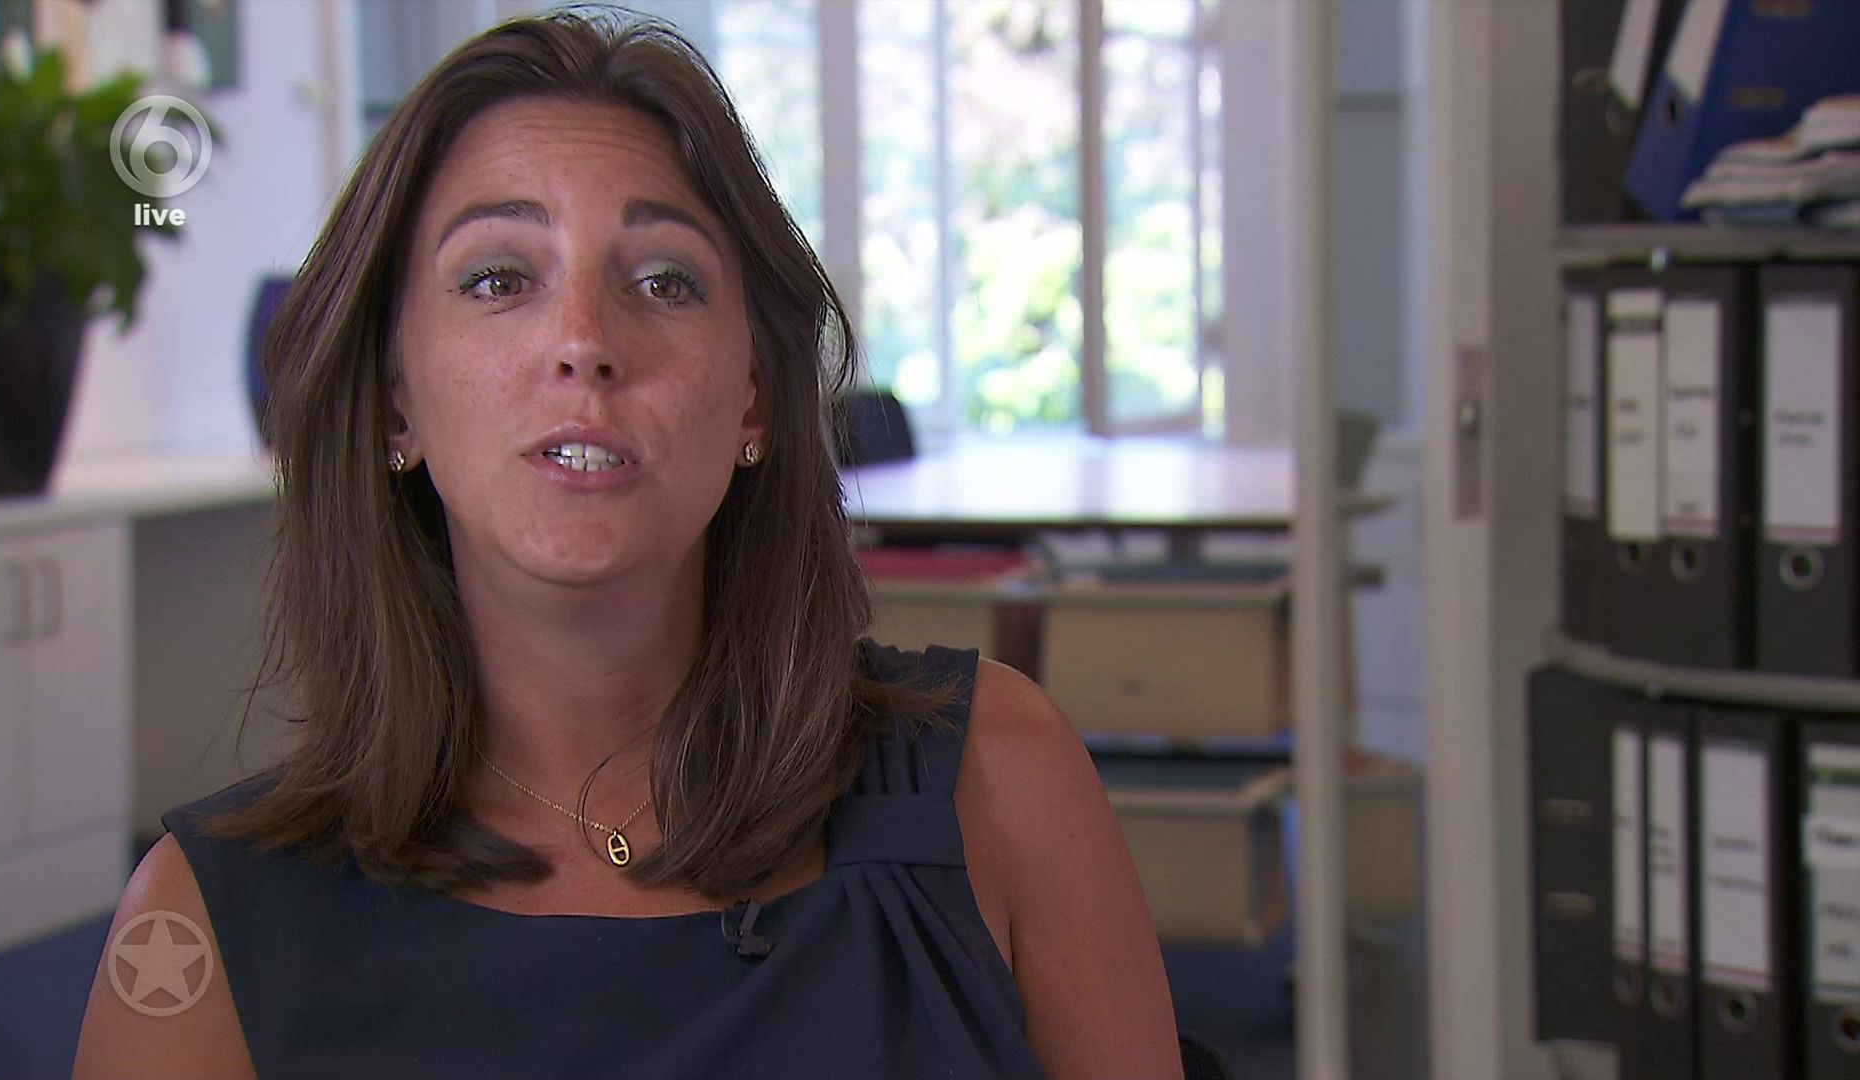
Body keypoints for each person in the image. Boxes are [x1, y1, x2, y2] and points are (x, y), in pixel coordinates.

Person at [71, 8, 1181, 1078]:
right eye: (499, 279)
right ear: (396, 400)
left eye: (663, 281)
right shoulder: (198, 936)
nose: (584, 343)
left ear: (754, 398)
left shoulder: (1000, 785)